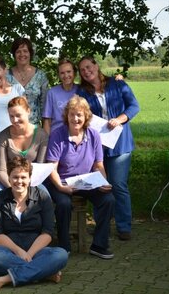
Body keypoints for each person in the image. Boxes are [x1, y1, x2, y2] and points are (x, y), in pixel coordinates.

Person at [77, 55, 140, 241]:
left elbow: (134, 106)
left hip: (120, 144)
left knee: (118, 184)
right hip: (97, 146)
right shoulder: (82, 92)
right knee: (99, 186)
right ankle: (102, 226)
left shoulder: (117, 84)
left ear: (96, 66)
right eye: (82, 70)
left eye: (89, 67)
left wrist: (119, 119)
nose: (87, 71)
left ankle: (124, 227)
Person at [46, 96, 115, 258]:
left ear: (86, 117)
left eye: (79, 115)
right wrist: (61, 187)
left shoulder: (94, 136)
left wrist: (103, 182)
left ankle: (99, 245)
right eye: (72, 114)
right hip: (61, 181)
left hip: (85, 181)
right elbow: (52, 168)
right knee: (63, 204)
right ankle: (64, 245)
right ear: (66, 116)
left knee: (108, 200)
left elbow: (99, 165)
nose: (75, 119)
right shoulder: (57, 135)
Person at [0, 156, 68, 291]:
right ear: (9, 178)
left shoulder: (42, 197)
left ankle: (7, 278)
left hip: (36, 249)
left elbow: (48, 232)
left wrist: (29, 253)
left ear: (29, 178)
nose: (19, 181)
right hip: (10, 250)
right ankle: (44, 273)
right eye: (15, 177)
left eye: (23, 177)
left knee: (61, 254)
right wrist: (19, 252)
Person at [0, 96, 49, 195]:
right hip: (9, 181)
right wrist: (13, 187)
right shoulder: (4, 135)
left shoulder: (41, 135)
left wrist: (25, 188)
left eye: (18, 115)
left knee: (45, 196)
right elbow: (1, 170)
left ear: (28, 111)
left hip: (32, 182)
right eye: (11, 116)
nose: (15, 120)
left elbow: (40, 169)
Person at [7, 37, 49, 126]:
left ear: (30, 53)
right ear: (14, 54)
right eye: (18, 51)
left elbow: (45, 107)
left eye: (25, 51)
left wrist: (45, 132)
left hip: (34, 129)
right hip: (11, 127)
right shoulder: (6, 76)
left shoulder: (41, 76)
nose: (22, 54)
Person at [42, 58, 79, 134]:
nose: (66, 75)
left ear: (74, 73)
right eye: (62, 73)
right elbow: (47, 120)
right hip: (57, 134)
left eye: (69, 72)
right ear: (58, 75)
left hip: (77, 134)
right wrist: (47, 142)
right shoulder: (52, 92)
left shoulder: (81, 90)